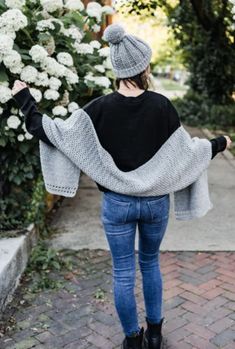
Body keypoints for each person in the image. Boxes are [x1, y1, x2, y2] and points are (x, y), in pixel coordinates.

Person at [12, 24, 231, 349]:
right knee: (150, 262)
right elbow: (189, 152)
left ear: (117, 69)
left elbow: (52, 132)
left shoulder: (98, 109)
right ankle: (155, 336)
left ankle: (132, 339)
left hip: (117, 205)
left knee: (123, 271)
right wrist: (219, 143)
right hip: (155, 204)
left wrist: (24, 97)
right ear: (144, 67)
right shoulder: (162, 106)